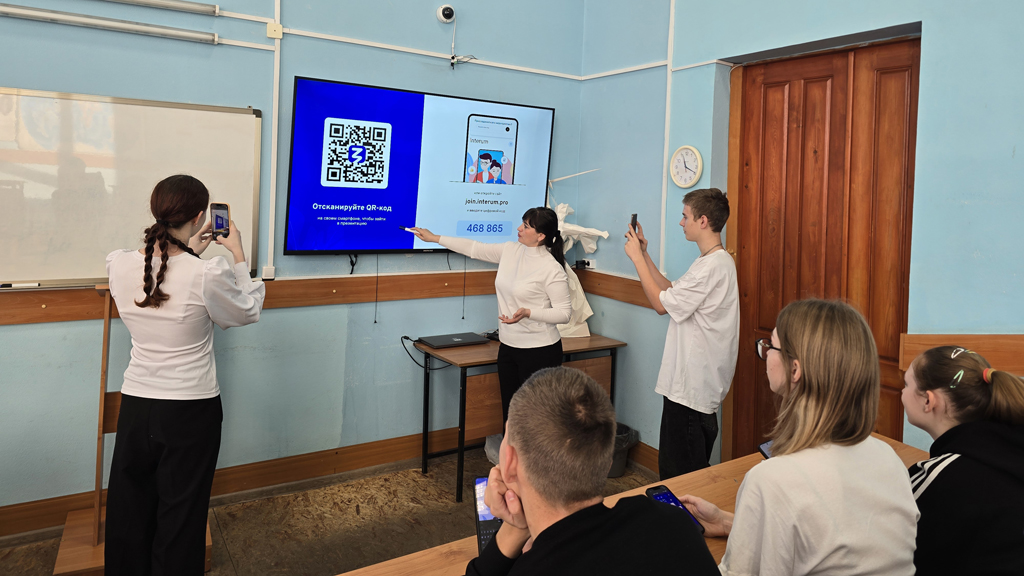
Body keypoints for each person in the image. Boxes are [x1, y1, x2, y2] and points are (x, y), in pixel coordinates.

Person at [680, 299, 919, 576]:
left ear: (795, 370)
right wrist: (727, 522)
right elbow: (830, 542)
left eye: (770, 346)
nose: (764, 353)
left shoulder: (772, 480)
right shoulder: (889, 459)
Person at [104, 174, 265, 575]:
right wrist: (238, 253)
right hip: (190, 411)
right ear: (197, 217)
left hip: (136, 406)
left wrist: (191, 250)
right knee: (181, 514)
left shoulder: (119, 263)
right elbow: (247, 311)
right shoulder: (206, 273)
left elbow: (164, 271)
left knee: (130, 510)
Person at [464, 366, 719, 576]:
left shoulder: (530, 569)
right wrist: (520, 526)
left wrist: (514, 529)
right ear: (607, 461)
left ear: (509, 463)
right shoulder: (674, 522)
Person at [411, 207, 571, 426]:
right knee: (511, 415)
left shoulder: (552, 268)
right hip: (508, 347)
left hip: (540, 351)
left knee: (536, 419)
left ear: (541, 236)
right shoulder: (511, 250)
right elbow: (474, 248)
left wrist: (529, 313)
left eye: (526, 226)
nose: (519, 228)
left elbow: (564, 313)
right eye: (522, 223)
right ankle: (508, 451)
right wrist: (434, 238)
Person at [623, 188, 739, 478]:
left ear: (703, 221)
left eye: (685, 216)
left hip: (691, 393)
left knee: (680, 478)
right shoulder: (710, 261)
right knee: (684, 471)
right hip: (689, 390)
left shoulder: (713, 266)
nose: (681, 222)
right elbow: (670, 291)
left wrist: (636, 260)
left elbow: (661, 305)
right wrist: (645, 255)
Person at [901, 346, 1024, 575]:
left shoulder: (939, 480)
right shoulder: (1010, 445)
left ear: (928, 401)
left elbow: (897, 549)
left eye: (906, 384)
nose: (902, 391)